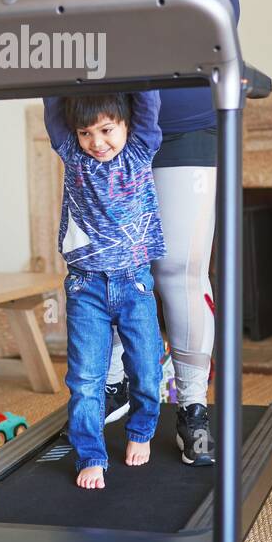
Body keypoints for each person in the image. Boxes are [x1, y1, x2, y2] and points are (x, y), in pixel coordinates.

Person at [50, 0, 240, 466]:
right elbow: (68, 40)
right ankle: (115, 387)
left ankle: (192, 403)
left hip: (183, 127)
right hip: (106, 133)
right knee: (101, 266)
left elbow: (214, 25)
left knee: (176, 271)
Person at [43, 89, 166, 489]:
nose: (97, 142)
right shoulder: (73, 156)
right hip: (86, 286)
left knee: (146, 369)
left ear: (127, 125)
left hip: (134, 282)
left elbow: (148, 100)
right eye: (85, 133)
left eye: (107, 130)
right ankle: (91, 454)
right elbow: (52, 106)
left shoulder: (140, 150)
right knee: (84, 378)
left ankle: (141, 430)